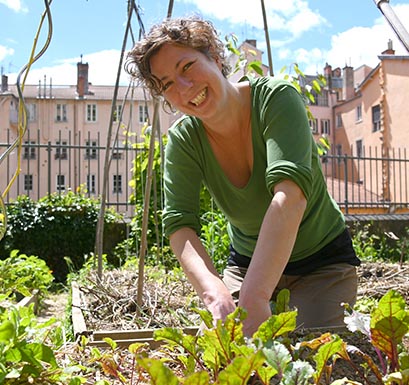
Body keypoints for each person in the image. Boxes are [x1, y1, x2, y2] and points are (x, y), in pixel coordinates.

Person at [126, 16, 360, 337]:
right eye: (166, 84)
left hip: (322, 263)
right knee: (232, 350)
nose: (183, 88)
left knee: (307, 354)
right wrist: (216, 293)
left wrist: (256, 295)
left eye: (187, 67)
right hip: (248, 267)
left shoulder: (277, 100)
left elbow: (289, 197)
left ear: (214, 56)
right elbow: (180, 226)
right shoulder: (184, 139)